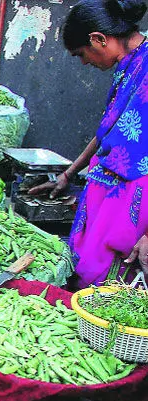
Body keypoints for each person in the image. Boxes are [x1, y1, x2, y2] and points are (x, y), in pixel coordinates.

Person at [31, 0, 148, 286]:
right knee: (87, 279)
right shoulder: (129, 64)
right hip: (107, 199)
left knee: (115, 290)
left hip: (134, 206)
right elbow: (105, 131)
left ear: (98, 39)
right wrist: (68, 175)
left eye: (82, 54)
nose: (84, 62)